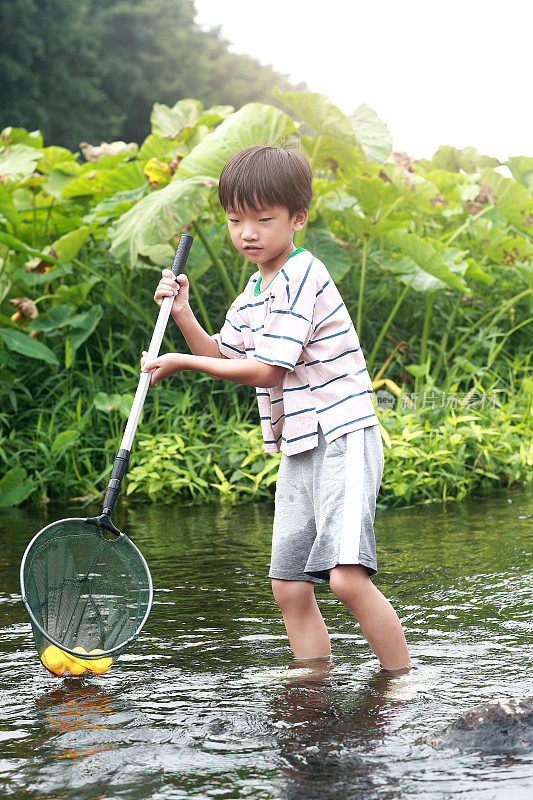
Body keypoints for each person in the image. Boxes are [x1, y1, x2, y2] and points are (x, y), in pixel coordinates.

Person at [142, 144, 412, 673]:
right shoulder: (251, 292)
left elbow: (267, 370)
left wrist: (179, 362)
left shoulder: (304, 274)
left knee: (345, 578)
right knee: (288, 585)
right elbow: (225, 355)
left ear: (297, 219)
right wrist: (183, 313)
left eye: (264, 219)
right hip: (298, 443)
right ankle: (312, 684)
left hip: (342, 433)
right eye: (236, 219)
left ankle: (400, 683)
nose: (248, 233)